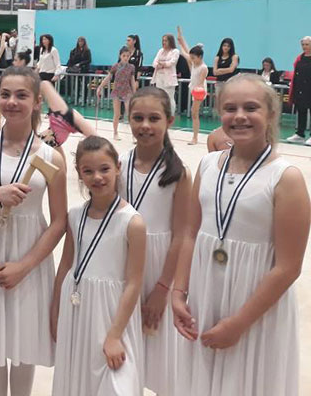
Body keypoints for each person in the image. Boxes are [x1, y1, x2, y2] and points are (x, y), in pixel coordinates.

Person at [172, 74, 310, 395]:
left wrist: (239, 324)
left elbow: (288, 267)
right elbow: (190, 232)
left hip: (254, 308)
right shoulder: (208, 165)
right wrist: (179, 291)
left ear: (271, 114)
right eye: (230, 108)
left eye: (251, 108)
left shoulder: (285, 179)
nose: (239, 116)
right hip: (207, 296)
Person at [0, 67, 67, 396]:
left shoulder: (52, 158)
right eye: (5, 94)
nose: (11, 101)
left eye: (21, 95)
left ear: (37, 102)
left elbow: (60, 221)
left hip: (29, 256)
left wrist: (25, 266)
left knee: (24, 344)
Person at [51, 135, 146, 396]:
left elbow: (134, 282)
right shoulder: (75, 216)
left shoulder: (133, 222)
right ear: (79, 173)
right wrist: (55, 310)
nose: (97, 177)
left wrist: (114, 335)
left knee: (117, 385)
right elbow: (65, 266)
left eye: (104, 169)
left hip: (112, 313)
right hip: (76, 310)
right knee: (77, 381)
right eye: (88, 171)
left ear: (117, 168)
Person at [121, 87, 191, 395]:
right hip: (122, 264)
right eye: (138, 118)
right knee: (123, 353)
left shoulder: (178, 173)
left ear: (170, 121)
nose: (145, 125)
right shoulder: (118, 165)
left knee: (161, 357)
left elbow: (182, 235)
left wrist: (163, 288)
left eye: (154, 118)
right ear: (128, 119)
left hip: (159, 268)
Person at [95, 47, 137, 141]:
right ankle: (115, 132)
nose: (126, 58)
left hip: (127, 91)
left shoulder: (131, 67)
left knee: (130, 114)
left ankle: (134, 135)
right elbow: (108, 77)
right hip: (117, 91)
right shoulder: (115, 66)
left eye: (127, 56)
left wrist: (135, 93)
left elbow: (132, 80)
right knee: (117, 114)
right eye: (124, 56)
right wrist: (100, 87)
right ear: (120, 56)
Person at [177, 26, 209, 145]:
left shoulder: (203, 68)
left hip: (199, 91)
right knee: (194, 113)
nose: (191, 59)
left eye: (193, 58)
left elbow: (200, 84)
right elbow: (185, 51)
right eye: (191, 58)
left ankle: (195, 137)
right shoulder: (194, 62)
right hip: (194, 88)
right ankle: (194, 137)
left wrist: (196, 96)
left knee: (194, 113)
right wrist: (180, 38)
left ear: (200, 57)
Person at [286, 36, 311, 145]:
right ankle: (300, 134)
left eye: (307, 44)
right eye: (303, 45)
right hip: (300, 89)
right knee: (301, 111)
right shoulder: (299, 58)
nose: (304, 47)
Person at [152, 34, 180, 115]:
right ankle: (160, 114)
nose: (164, 42)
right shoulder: (160, 51)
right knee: (160, 97)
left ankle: (171, 114)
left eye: (166, 40)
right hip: (159, 77)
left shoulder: (175, 51)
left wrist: (163, 64)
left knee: (169, 97)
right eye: (163, 40)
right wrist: (159, 65)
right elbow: (154, 63)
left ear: (171, 41)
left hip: (169, 78)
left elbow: (171, 63)